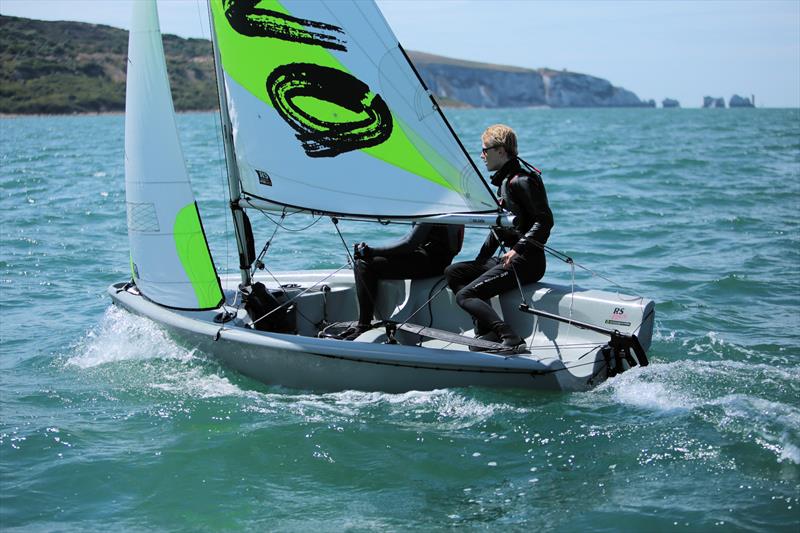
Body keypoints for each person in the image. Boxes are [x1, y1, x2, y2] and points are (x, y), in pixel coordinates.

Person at [444, 124, 554, 351]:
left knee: (466, 295)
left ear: (501, 151)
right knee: (454, 272)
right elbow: (499, 228)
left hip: (527, 261)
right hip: (511, 259)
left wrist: (518, 249)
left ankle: (508, 336)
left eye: (485, 150)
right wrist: (479, 261)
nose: (482, 156)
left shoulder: (521, 181)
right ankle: (487, 333)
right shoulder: (503, 182)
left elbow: (544, 221)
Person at [339, 223, 464, 340]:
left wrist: (370, 251)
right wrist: (372, 250)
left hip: (431, 263)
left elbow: (409, 244)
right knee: (369, 259)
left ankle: (363, 325)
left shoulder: (434, 209)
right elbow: (410, 240)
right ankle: (365, 323)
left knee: (364, 264)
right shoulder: (440, 207)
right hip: (437, 261)